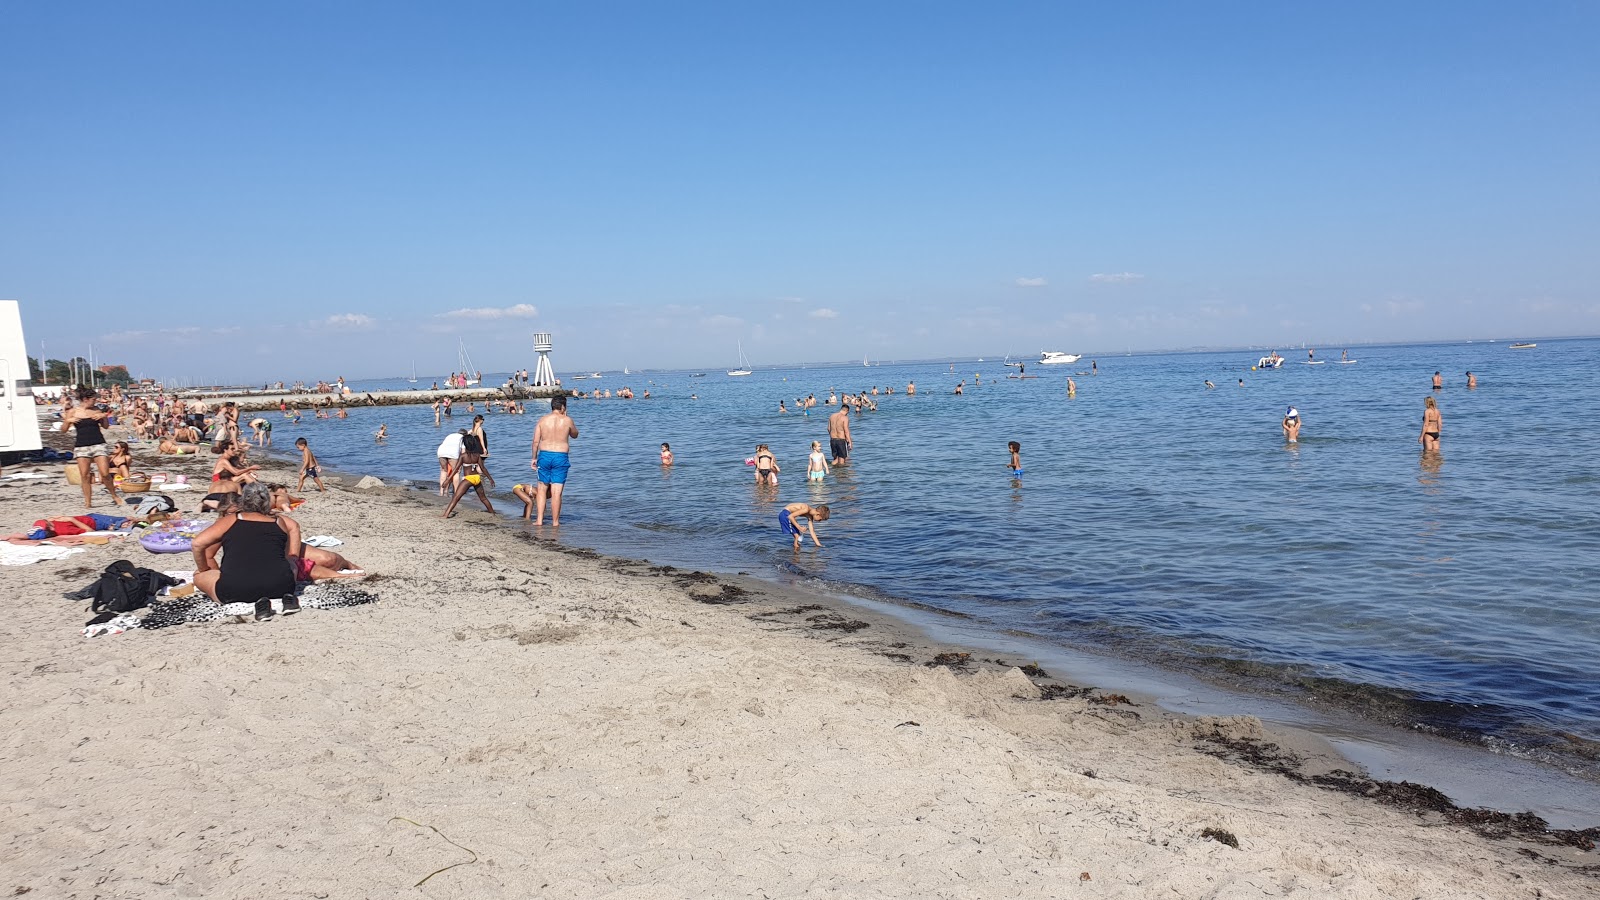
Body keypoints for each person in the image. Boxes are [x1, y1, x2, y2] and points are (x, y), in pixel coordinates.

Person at [191, 483, 299, 606]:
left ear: (243, 500)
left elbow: (197, 544)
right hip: (281, 588)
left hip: (234, 591)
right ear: (267, 501)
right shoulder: (279, 522)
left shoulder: (231, 520)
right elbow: (283, 556)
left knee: (198, 575)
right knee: (291, 563)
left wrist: (203, 569)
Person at [61, 388, 122, 508]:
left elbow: (105, 427)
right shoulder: (73, 412)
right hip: (82, 445)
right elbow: (63, 430)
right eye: (93, 399)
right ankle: (88, 502)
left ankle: (115, 496)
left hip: (98, 443)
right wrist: (68, 421)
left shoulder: (96, 410)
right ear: (85, 399)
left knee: (105, 473)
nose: (96, 401)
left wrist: (103, 416)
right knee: (85, 475)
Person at [531, 393, 579, 526]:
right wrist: (566, 416)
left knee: (541, 488)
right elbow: (575, 435)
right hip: (560, 456)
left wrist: (534, 458)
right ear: (563, 407)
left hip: (544, 455)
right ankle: (555, 522)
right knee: (556, 491)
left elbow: (535, 442)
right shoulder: (567, 420)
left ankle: (539, 520)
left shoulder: (542, 420)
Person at [442, 434, 494, 518]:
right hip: (477, 478)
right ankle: (492, 513)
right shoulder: (477, 455)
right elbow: (483, 468)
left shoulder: (463, 456)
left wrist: (448, 480)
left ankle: (445, 515)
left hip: (468, 479)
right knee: (483, 498)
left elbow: (456, 469)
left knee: (455, 498)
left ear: (465, 444)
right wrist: (490, 479)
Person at [437, 428, 466, 495]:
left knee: (444, 471)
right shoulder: (463, 438)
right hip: (453, 453)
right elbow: (463, 451)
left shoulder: (450, 435)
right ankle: (456, 492)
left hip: (441, 451)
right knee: (456, 472)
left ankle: (441, 491)